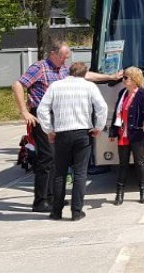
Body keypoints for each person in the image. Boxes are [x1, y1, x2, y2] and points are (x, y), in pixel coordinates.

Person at [11, 39, 121, 213]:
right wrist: (24, 111)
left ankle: (54, 198)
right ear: (53, 54)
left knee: (56, 159)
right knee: (46, 158)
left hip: (58, 117)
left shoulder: (62, 69)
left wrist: (110, 77)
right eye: (63, 56)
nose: (65, 60)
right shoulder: (39, 68)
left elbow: (86, 75)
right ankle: (40, 201)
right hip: (42, 115)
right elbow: (17, 84)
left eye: (67, 57)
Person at [36, 62, 108, 221]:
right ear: (85, 73)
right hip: (83, 132)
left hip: (62, 133)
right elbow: (102, 108)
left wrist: (49, 130)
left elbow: (42, 109)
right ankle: (76, 211)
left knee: (60, 174)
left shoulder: (55, 86)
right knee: (80, 173)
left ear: (69, 72)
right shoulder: (89, 86)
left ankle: (56, 211)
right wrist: (98, 127)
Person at [108, 66, 144, 205]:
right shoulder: (122, 93)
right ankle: (119, 194)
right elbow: (116, 113)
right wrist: (113, 131)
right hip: (123, 133)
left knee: (139, 163)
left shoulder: (142, 94)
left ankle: (143, 192)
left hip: (137, 134)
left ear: (134, 80)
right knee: (122, 164)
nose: (123, 80)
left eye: (126, 78)